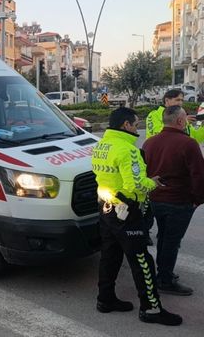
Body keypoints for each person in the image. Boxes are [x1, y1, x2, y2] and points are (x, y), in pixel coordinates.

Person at [92, 107, 181, 326]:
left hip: (106, 208)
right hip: (127, 212)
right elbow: (135, 184)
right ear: (126, 125)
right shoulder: (127, 150)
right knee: (141, 260)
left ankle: (105, 299)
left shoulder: (101, 145)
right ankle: (151, 309)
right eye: (135, 123)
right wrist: (153, 182)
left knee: (110, 255)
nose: (137, 126)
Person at [142, 105, 204, 296]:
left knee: (164, 237)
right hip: (179, 201)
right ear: (179, 121)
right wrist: (197, 200)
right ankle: (165, 279)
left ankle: (162, 273)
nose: (187, 121)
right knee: (171, 241)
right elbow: (199, 175)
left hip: (155, 198)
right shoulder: (188, 143)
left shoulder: (149, 143)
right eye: (185, 118)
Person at [143, 88, 204, 244]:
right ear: (167, 101)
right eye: (177, 100)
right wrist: (177, 125)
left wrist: (201, 125)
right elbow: (158, 133)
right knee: (155, 207)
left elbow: (196, 138)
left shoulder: (182, 119)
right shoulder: (156, 115)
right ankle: (146, 232)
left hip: (180, 164)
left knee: (169, 234)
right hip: (161, 164)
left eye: (182, 100)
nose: (180, 103)